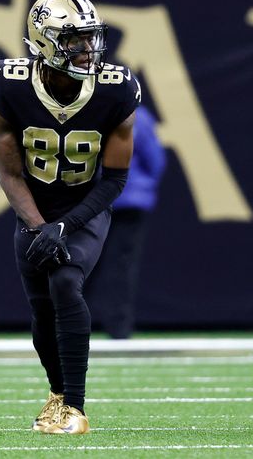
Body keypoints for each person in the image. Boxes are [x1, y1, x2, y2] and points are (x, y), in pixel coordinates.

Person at [0, 0, 140, 434]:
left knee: (66, 283)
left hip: (83, 209)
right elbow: (10, 173)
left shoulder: (116, 89)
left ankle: (75, 406)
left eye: (90, 38)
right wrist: (38, 226)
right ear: (45, 41)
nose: (88, 49)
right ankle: (56, 396)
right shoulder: (9, 84)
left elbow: (114, 179)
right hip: (32, 209)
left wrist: (64, 225)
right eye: (74, 40)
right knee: (41, 308)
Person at [85, 106, 165, 339]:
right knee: (120, 266)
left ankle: (71, 326)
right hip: (125, 201)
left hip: (95, 201)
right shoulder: (140, 116)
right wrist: (139, 186)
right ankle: (118, 329)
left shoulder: (88, 110)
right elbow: (155, 161)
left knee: (84, 264)